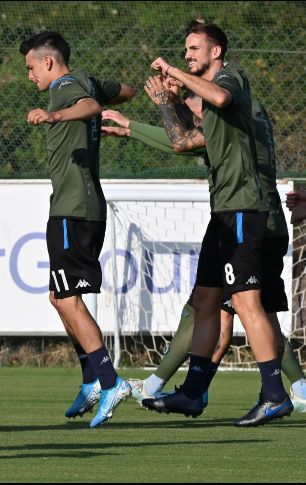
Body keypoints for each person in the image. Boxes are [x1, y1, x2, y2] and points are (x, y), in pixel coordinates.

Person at [103, 96, 306, 412]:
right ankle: (279, 389)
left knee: (227, 311)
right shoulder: (239, 121)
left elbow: (182, 143)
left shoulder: (233, 121)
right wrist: (136, 127)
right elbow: (186, 139)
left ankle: (188, 390)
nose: (192, 106)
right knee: (243, 312)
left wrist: (136, 124)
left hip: (247, 226)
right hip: (258, 225)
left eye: (194, 99)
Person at [142, 22, 292, 426]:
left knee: (246, 302)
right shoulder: (209, 104)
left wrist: (174, 72)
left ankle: (276, 394)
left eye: (194, 48)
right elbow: (182, 140)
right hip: (223, 211)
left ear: (217, 52)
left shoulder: (231, 78)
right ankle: (193, 393)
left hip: (245, 207)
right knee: (207, 301)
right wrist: (168, 102)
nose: (188, 54)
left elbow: (221, 95)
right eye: (185, 49)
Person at [19, 31, 135, 428]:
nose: (30, 76)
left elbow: (89, 106)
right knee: (58, 295)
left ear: (48, 62)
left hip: (74, 210)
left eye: (31, 67)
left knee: (68, 299)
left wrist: (55, 115)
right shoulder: (83, 78)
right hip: (76, 207)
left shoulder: (67, 86)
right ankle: (90, 381)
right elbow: (125, 90)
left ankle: (109, 380)